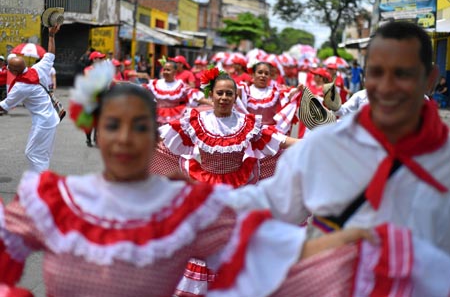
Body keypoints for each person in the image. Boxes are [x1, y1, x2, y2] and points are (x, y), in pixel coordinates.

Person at [1, 61, 449, 297]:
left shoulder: (198, 212)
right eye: (113, 126)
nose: (125, 140)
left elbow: (289, 257)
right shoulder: (51, 200)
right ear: (96, 132)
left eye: (138, 126)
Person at [226, 21, 450, 270]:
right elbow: (274, 206)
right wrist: (200, 202)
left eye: (402, 73)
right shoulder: (325, 146)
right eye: (376, 71)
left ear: (429, 78)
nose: (387, 86)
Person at [151, 69, 299, 188]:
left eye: (229, 94)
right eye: (219, 93)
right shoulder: (196, 121)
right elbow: (162, 135)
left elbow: (280, 140)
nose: (224, 97)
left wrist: (310, 142)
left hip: (238, 182)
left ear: (235, 97)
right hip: (204, 181)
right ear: (212, 95)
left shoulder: (247, 123)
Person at [0, 24, 61, 172]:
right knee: (42, 154)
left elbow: (3, 106)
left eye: (9, 67)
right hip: (50, 118)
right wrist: (51, 35)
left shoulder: (21, 86)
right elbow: (51, 54)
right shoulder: (38, 69)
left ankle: (43, 185)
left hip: (44, 122)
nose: (7, 68)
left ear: (14, 71)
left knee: (33, 153)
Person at [143, 60, 210, 125]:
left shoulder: (180, 85)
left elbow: (195, 97)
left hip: (175, 116)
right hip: (157, 115)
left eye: (168, 70)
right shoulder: (156, 84)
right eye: (164, 69)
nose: (165, 72)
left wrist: (211, 103)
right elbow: (140, 91)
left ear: (175, 72)